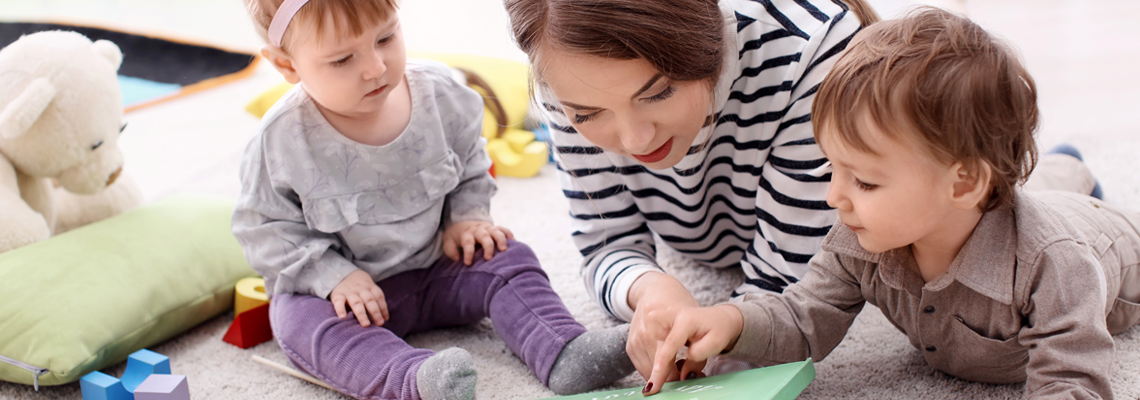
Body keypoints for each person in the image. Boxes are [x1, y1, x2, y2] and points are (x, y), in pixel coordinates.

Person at [641, 7, 1140, 398]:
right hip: (999, 195)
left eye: (864, 182)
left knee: (1053, 204)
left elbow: (1072, 380)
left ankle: (1073, 173)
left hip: (1107, 237)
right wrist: (730, 321)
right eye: (831, 168)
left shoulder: (1055, 264)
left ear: (964, 183)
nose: (834, 197)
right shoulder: (859, 242)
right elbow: (803, 316)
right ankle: (1064, 165)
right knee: (1039, 183)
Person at [230, 0, 634, 399]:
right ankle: (414, 380)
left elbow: (471, 163)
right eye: (342, 60)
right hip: (345, 298)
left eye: (386, 37)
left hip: (440, 267)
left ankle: (561, 350)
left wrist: (467, 218)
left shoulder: (440, 93)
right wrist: (332, 276)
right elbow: (265, 230)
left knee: (509, 255)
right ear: (286, 65)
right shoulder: (279, 141)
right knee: (298, 322)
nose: (375, 67)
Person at [505, 0, 881, 379]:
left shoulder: (810, 45)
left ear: (707, 36)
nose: (636, 141)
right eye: (587, 114)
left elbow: (794, 281)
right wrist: (648, 291)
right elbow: (605, 244)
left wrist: (728, 341)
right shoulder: (563, 65)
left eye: (658, 92)